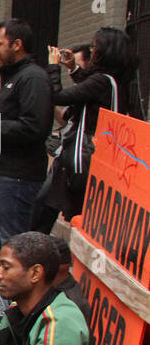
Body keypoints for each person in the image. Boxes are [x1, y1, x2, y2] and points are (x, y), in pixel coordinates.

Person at [32, 27, 143, 232]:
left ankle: (33, 255)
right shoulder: (114, 82)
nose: (92, 51)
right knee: (59, 209)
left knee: (47, 210)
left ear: (105, 51)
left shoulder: (101, 81)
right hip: (95, 155)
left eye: (95, 46)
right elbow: (89, 92)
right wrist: (74, 68)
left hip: (80, 155)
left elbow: (57, 96)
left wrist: (53, 67)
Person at [0, 20, 54, 251]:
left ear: (16, 44)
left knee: (14, 249)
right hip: (1, 176)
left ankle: (16, 288)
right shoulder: (14, 78)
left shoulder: (32, 78)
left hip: (17, 179)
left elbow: (34, 127)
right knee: (3, 245)